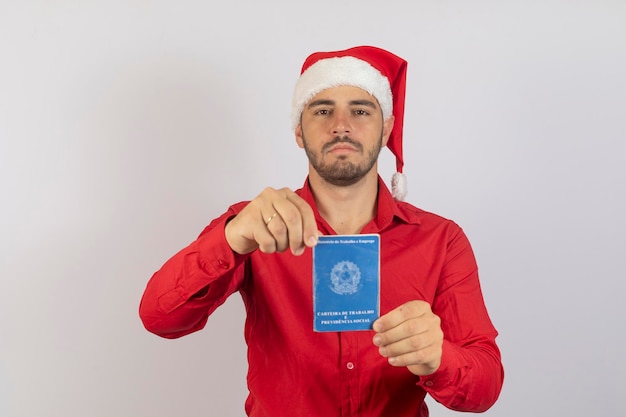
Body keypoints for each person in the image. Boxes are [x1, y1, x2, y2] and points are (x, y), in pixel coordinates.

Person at [139, 45, 504, 416]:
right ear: (299, 131)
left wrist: (439, 358)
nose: (340, 124)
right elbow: (160, 317)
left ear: (387, 129)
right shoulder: (255, 227)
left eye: (360, 110)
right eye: (323, 110)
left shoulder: (441, 240)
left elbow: (486, 386)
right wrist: (232, 238)